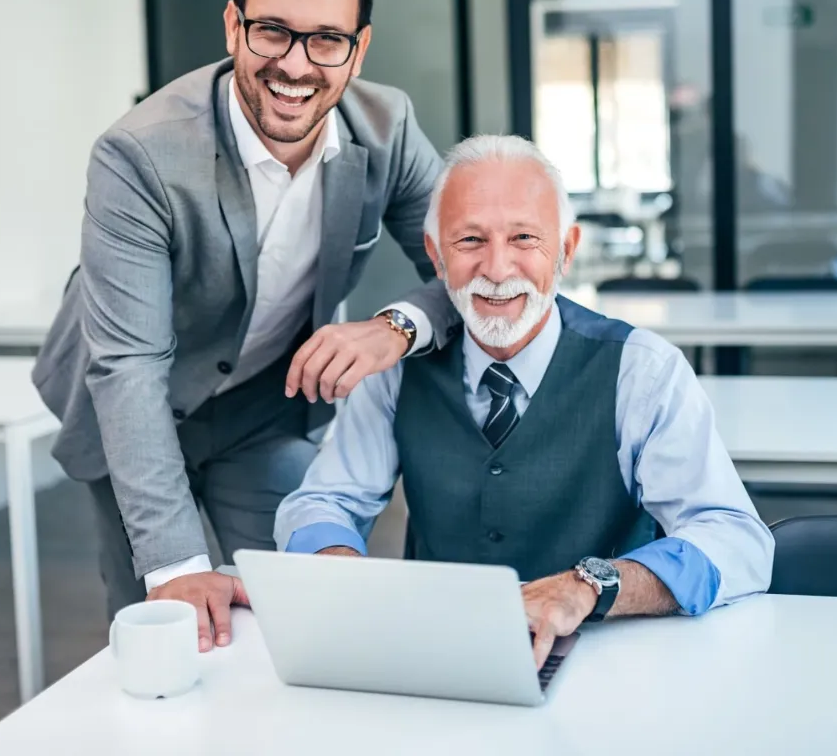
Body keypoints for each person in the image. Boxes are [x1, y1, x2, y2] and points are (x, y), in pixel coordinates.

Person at [32, 0, 459, 646]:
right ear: (233, 26)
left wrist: (395, 327)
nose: (297, 65)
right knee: (163, 628)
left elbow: (470, 268)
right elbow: (128, 366)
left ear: (358, 50)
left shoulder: (387, 128)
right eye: (272, 31)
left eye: (327, 38)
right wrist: (174, 565)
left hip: (262, 409)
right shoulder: (139, 155)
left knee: (304, 605)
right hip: (131, 405)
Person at [275, 135, 774, 669]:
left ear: (566, 249)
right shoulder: (395, 372)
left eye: (524, 238)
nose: (496, 268)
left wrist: (589, 587)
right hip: (441, 657)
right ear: (435, 255)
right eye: (469, 240)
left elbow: (736, 539)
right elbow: (322, 502)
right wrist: (337, 563)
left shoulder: (643, 371)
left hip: (612, 662)